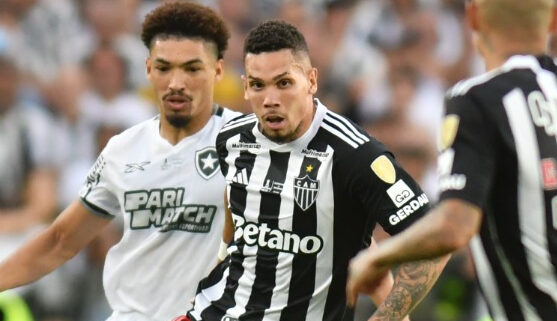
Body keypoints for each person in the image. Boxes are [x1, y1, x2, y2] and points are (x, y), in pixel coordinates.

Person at [183, 20, 449, 321]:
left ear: (311, 81)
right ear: (245, 87)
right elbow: (235, 198)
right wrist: (220, 257)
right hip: (213, 311)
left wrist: (387, 316)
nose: (270, 100)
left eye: (284, 83)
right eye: (258, 85)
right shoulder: (231, 139)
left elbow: (433, 241)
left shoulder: (355, 155)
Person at [0, 2, 240, 321]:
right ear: (148, 69)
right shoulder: (123, 149)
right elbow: (60, 241)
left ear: (218, 70)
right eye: (164, 67)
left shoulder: (244, 143)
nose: (176, 82)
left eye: (192, 68)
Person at [346, 1, 557, 321]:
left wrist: (376, 258)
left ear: (473, 16)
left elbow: (455, 225)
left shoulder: (479, 99)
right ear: (553, 19)